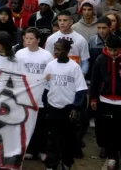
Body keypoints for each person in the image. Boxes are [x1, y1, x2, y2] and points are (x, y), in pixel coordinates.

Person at [44, 38, 88, 170]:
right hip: (53, 106)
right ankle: (51, 164)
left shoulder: (74, 67)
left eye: (59, 49)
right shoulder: (50, 65)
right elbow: (45, 87)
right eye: (55, 49)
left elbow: (81, 89)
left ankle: (66, 162)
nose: (56, 52)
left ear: (67, 50)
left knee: (68, 138)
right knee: (52, 138)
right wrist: (45, 104)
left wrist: (75, 107)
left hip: (68, 109)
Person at [16, 27, 53, 161]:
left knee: (41, 124)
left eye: (32, 38)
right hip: (25, 94)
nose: (29, 41)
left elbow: (50, 75)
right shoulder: (19, 54)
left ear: (38, 40)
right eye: (26, 38)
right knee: (27, 123)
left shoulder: (46, 55)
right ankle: (30, 149)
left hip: (41, 95)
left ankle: (42, 150)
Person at [90, 34, 121, 170]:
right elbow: (95, 80)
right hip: (105, 100)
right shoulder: (100, 60)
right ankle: (112, 155)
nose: (113, 53)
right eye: (111, 50)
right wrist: (93, 98)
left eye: (116, 50)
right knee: (106, 130)